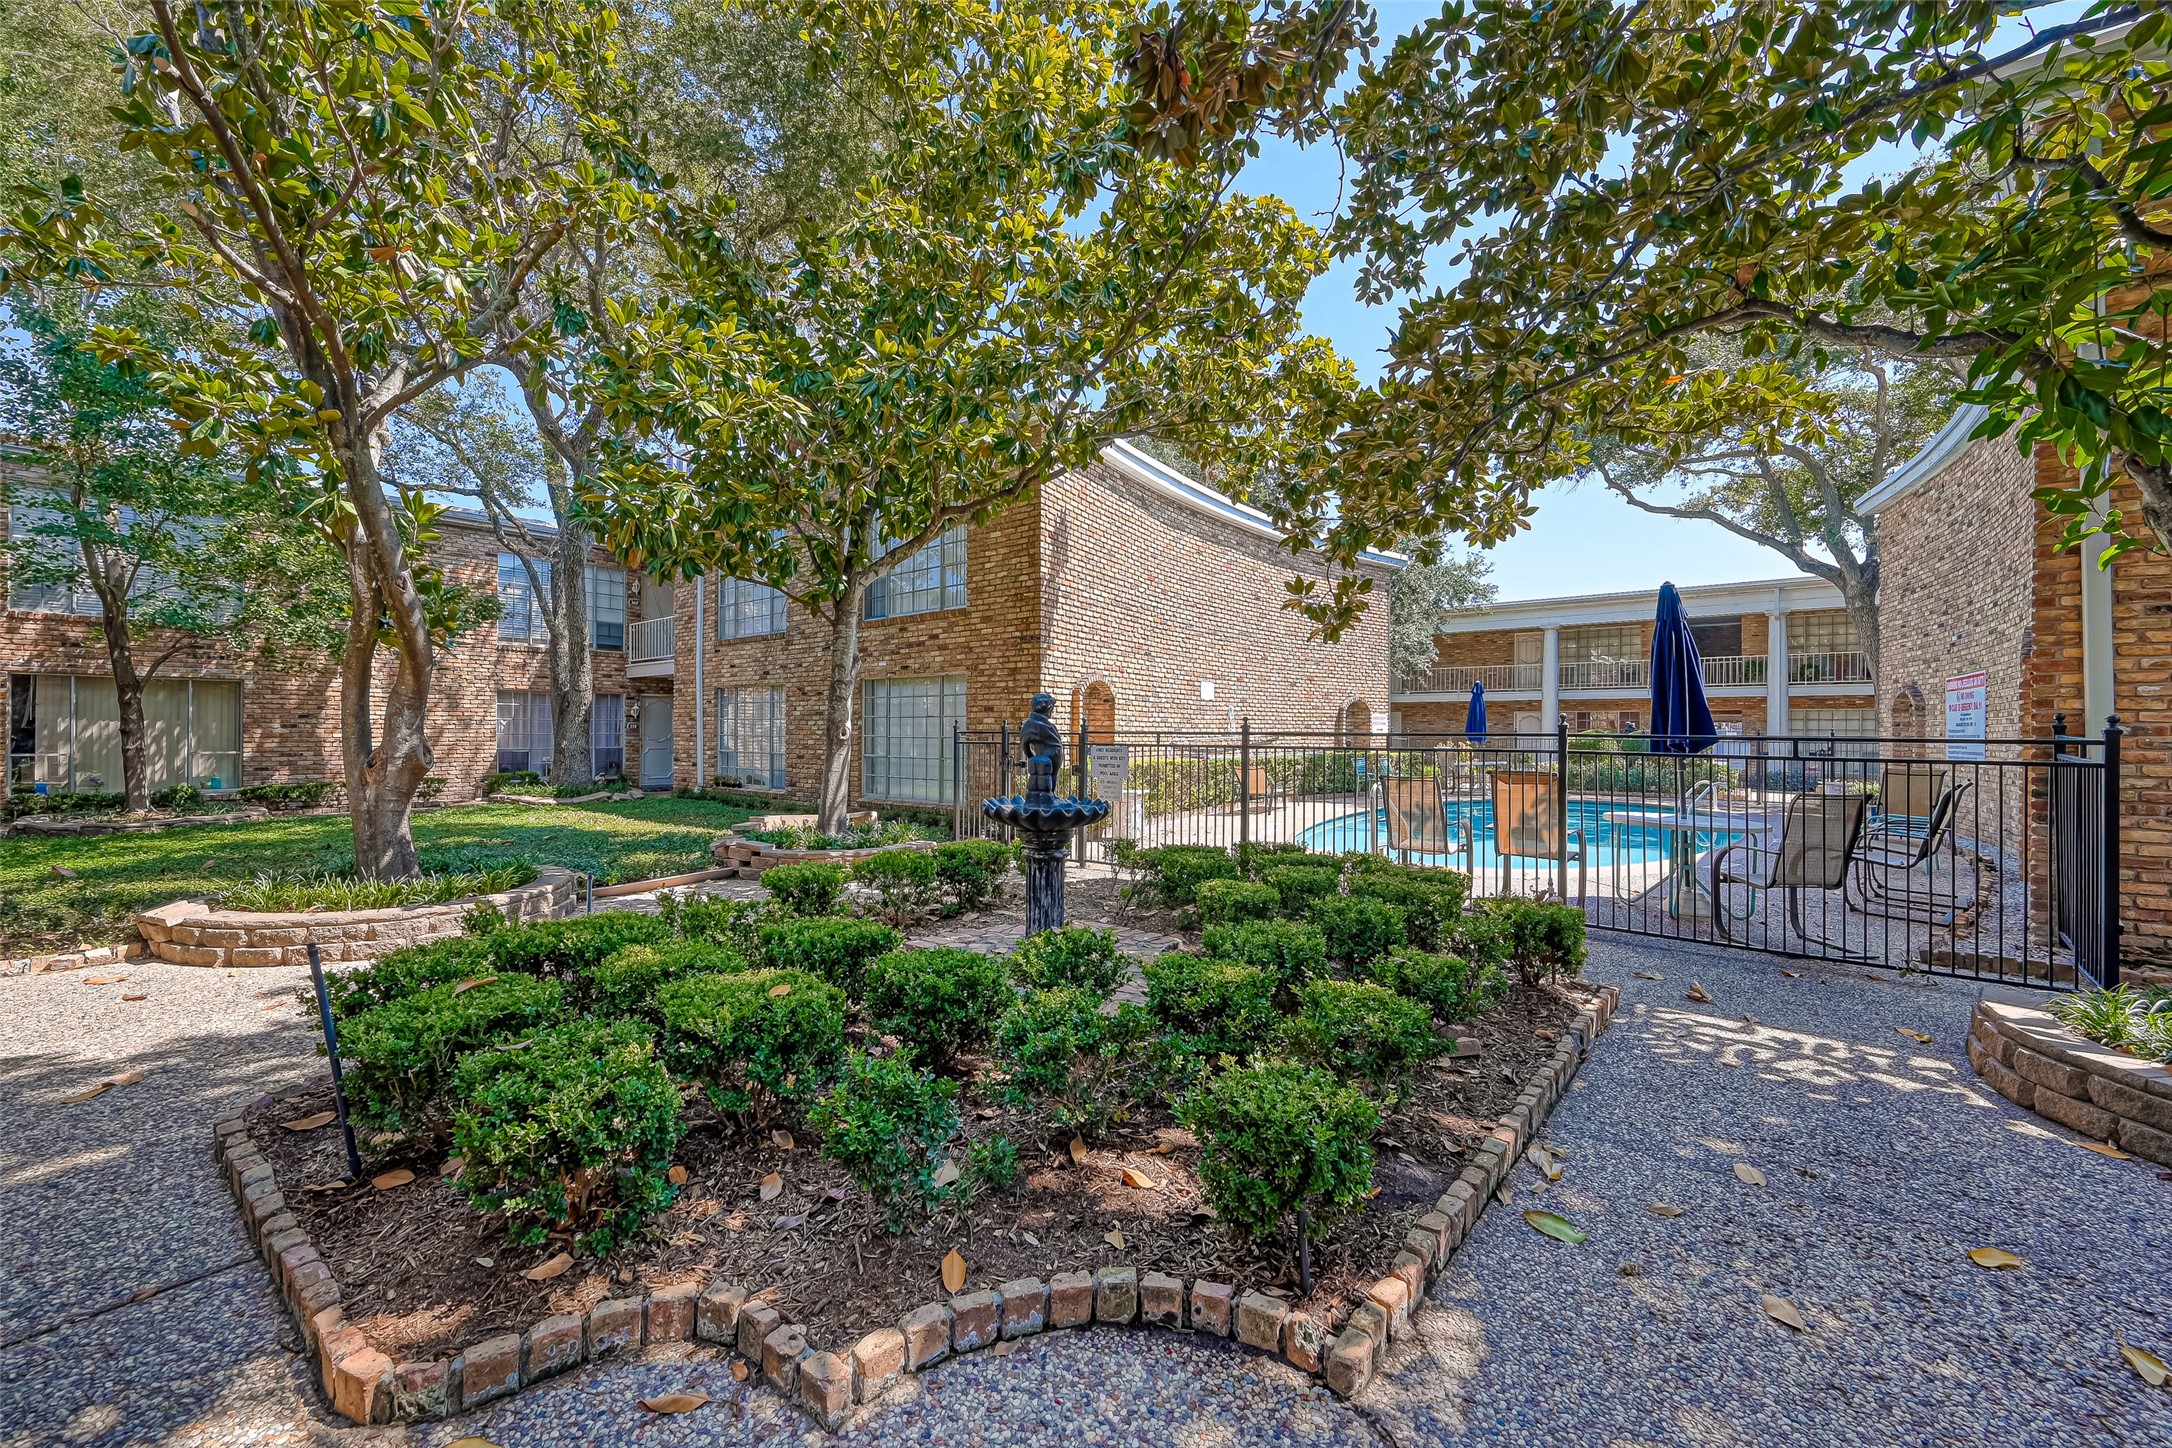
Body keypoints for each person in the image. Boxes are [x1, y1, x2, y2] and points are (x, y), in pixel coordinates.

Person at [1020, 692, 1063, 799]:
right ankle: (1047, 796)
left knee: (1051, 775)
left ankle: (1050, 795)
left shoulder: (1037, 723)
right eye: (1051, 710)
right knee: (1047, 775)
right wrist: (1031, 756)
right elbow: (1024, 743)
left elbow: (1024, 743)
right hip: (1049, 752)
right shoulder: (1032, 723)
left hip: (1053, 752)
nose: (1051, 713)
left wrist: (1031, 756)